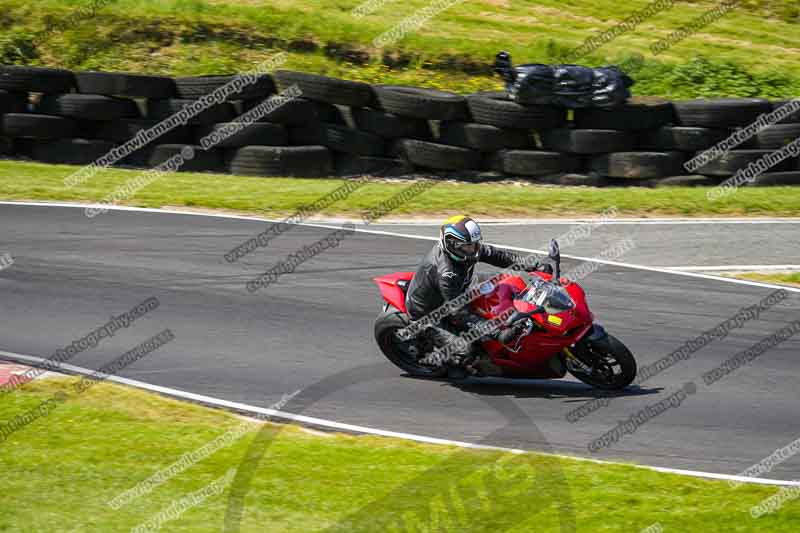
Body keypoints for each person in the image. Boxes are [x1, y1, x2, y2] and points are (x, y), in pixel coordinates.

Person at [404, 215, 552, 369]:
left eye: (475, 244)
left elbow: (498, 256)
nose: (474, 249)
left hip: (459, 290)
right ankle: (445, 364)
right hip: (430, 314)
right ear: (452, 244)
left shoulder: (464, 251)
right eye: (469, 246)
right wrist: (498, 334)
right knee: (466, 351)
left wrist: (534, 266)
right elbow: (458, 312)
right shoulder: (447, 273)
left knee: (508, 282)